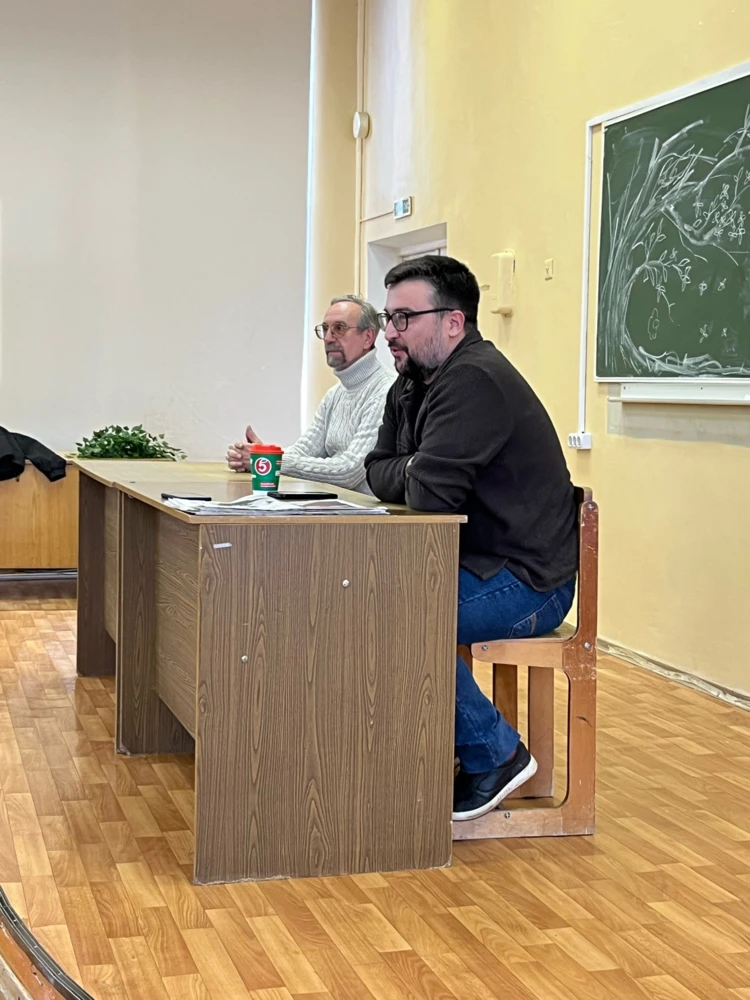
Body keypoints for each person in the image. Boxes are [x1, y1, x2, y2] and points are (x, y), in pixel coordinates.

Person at [364, 255, 578, 821]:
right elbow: (376, 469)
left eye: (403, 318)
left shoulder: (474, 380)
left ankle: (497, 755)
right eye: (388, 318)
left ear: (453, 322)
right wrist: (414, 468)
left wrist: (413, 471)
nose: (389, 332)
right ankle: (414, 753)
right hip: (473, 566)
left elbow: (429, 495)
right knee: (362, 596)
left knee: (398, 615)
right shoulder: (410, 384)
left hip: (529, 583)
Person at [227, 295, 394, 494]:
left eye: (339, 328)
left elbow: (349, 471)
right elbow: (304, 450)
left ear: (368, 337)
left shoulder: (385, 391)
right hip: (338, 505)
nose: (328, 338)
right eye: (325, 329)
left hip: (369, 512)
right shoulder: (335, 394)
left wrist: (271, 461)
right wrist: (261, 456)